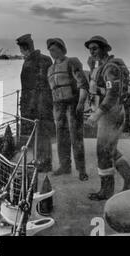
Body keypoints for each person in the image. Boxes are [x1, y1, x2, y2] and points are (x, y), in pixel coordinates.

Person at [85, 36, 130, 201]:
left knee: (103, 152)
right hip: (114, 113)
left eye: (95, 48)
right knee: (111, 150)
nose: (91, 51)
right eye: (90, 49)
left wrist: (97, 114)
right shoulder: (104, 66)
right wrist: (91, 67)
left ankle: (106, 191)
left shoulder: (110, 67)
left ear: (104, 49)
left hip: (111, 114)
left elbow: (112, 95)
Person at [46, 38, 89, 181]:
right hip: (58, 106)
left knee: (76, 137)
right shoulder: (50, 69)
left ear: (62, 49)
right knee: (61, 137)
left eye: (54, 49)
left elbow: (83, 84)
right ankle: (65, 166)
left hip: (72, 103)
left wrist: (81, 103)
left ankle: (81, 170)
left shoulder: (72, 62)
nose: (52, 52)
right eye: (50, 50)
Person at [16, 34, 54, 173]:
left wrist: (27, 107)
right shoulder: (46, 59)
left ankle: (43, 162)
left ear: (25, 48)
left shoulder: (30, 62)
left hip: (35, 104)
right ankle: (42, 159)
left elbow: (32, 87)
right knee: (42, 133)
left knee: (39, 132)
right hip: (45, 103)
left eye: (21, 49)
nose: (20, 52)